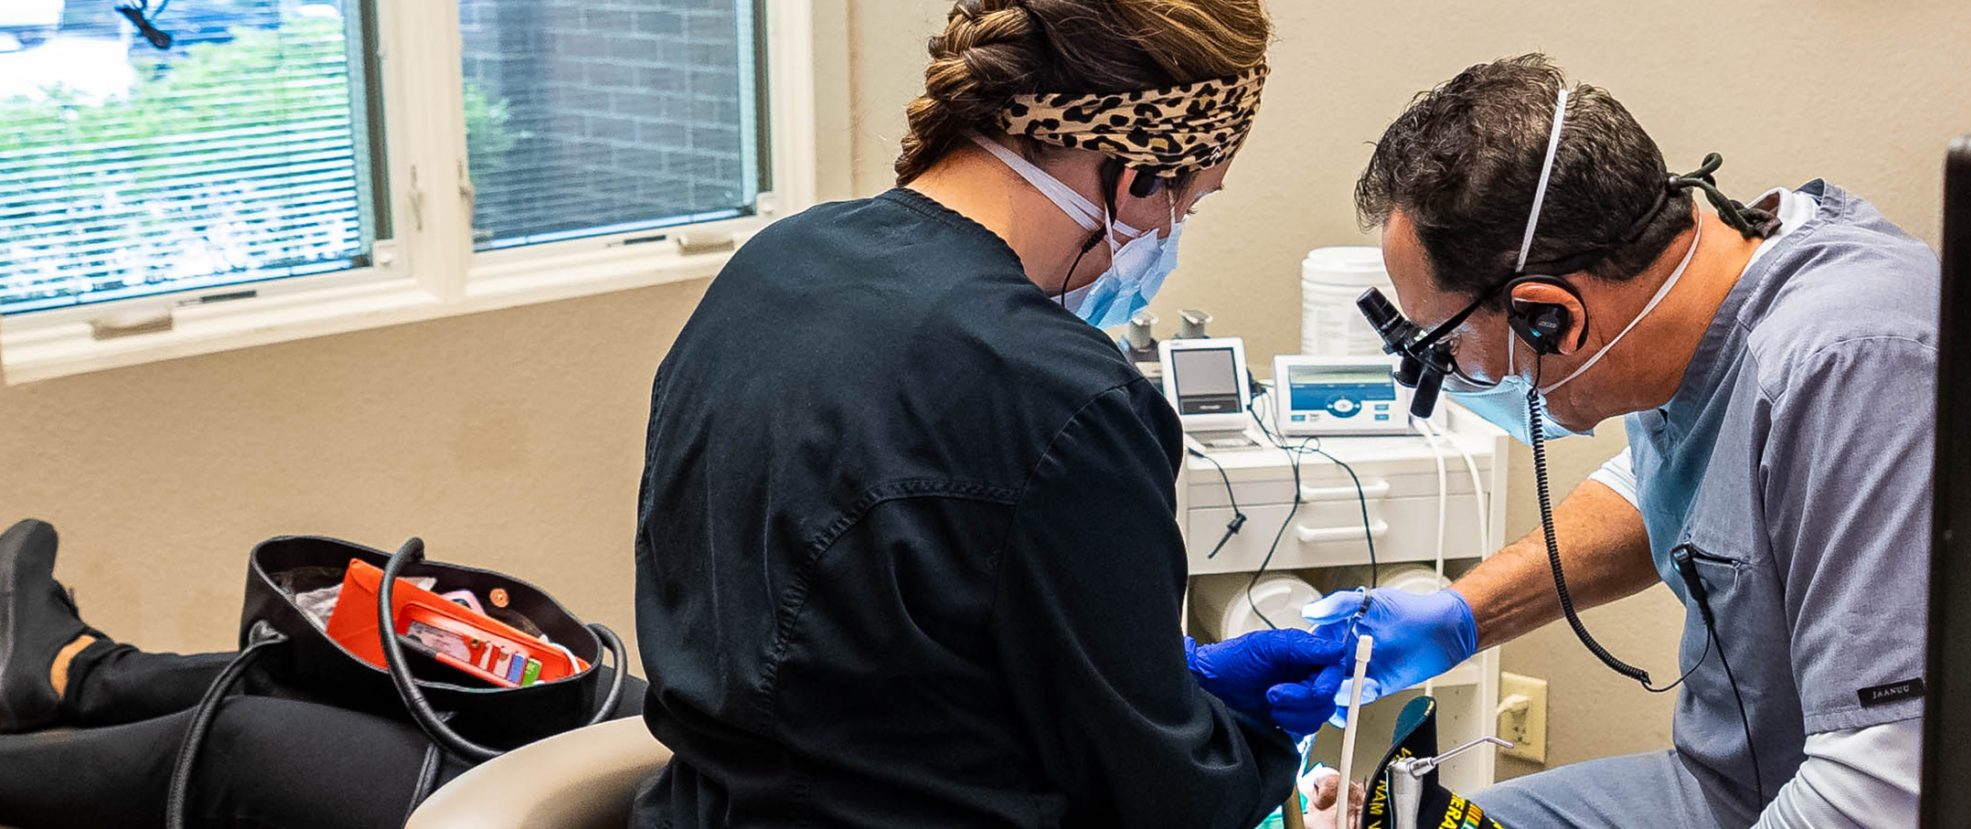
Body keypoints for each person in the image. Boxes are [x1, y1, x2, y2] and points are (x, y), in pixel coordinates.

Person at [630, 1, 1343, 827]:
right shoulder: (1066, 397)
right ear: (1139, 172)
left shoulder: (771, 267)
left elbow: (880, 658)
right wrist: (1258, 741)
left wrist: (1167, 674)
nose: (1171, 233)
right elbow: (1164, 795)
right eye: (1190, 202)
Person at [1308, 55, 1936, 828]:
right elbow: (1677, 489)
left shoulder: (1852, 366)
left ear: (1551, 317)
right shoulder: (1687, 301)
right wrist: (1459, 615)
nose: (1455, 374)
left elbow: (1880, 788)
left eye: (1447, 347)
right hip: (1726, 790)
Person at [0, 518, 649, 828]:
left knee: (245, 744)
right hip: (711, 741)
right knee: (336, 676)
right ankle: (71, 672)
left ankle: (68, 680)